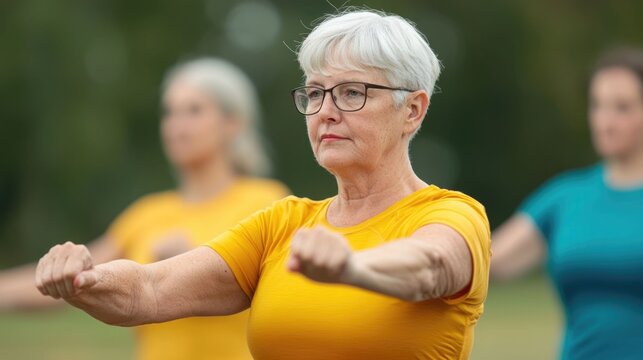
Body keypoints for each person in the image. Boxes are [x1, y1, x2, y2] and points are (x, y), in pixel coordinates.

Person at [34, 9, 491, 360]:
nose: (326, 111)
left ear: (412, 109)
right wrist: (84, 281)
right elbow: (148, 290)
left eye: (351, 92)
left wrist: (354, 269)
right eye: (315, 93)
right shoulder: (283, 224)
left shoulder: (451, 214)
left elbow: (429, 266)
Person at [0, 57, 289, 360]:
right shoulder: (148, 213)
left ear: (233, 123)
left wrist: (187, 266)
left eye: (194, 110)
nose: (177, 125)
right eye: (170, 112)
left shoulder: (267, 203)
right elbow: (75, 279)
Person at [491, 47, 643, 360]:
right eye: (598, 105)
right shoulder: (565, 197)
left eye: (622, 107)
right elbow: (484, 262)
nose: (606, 121)